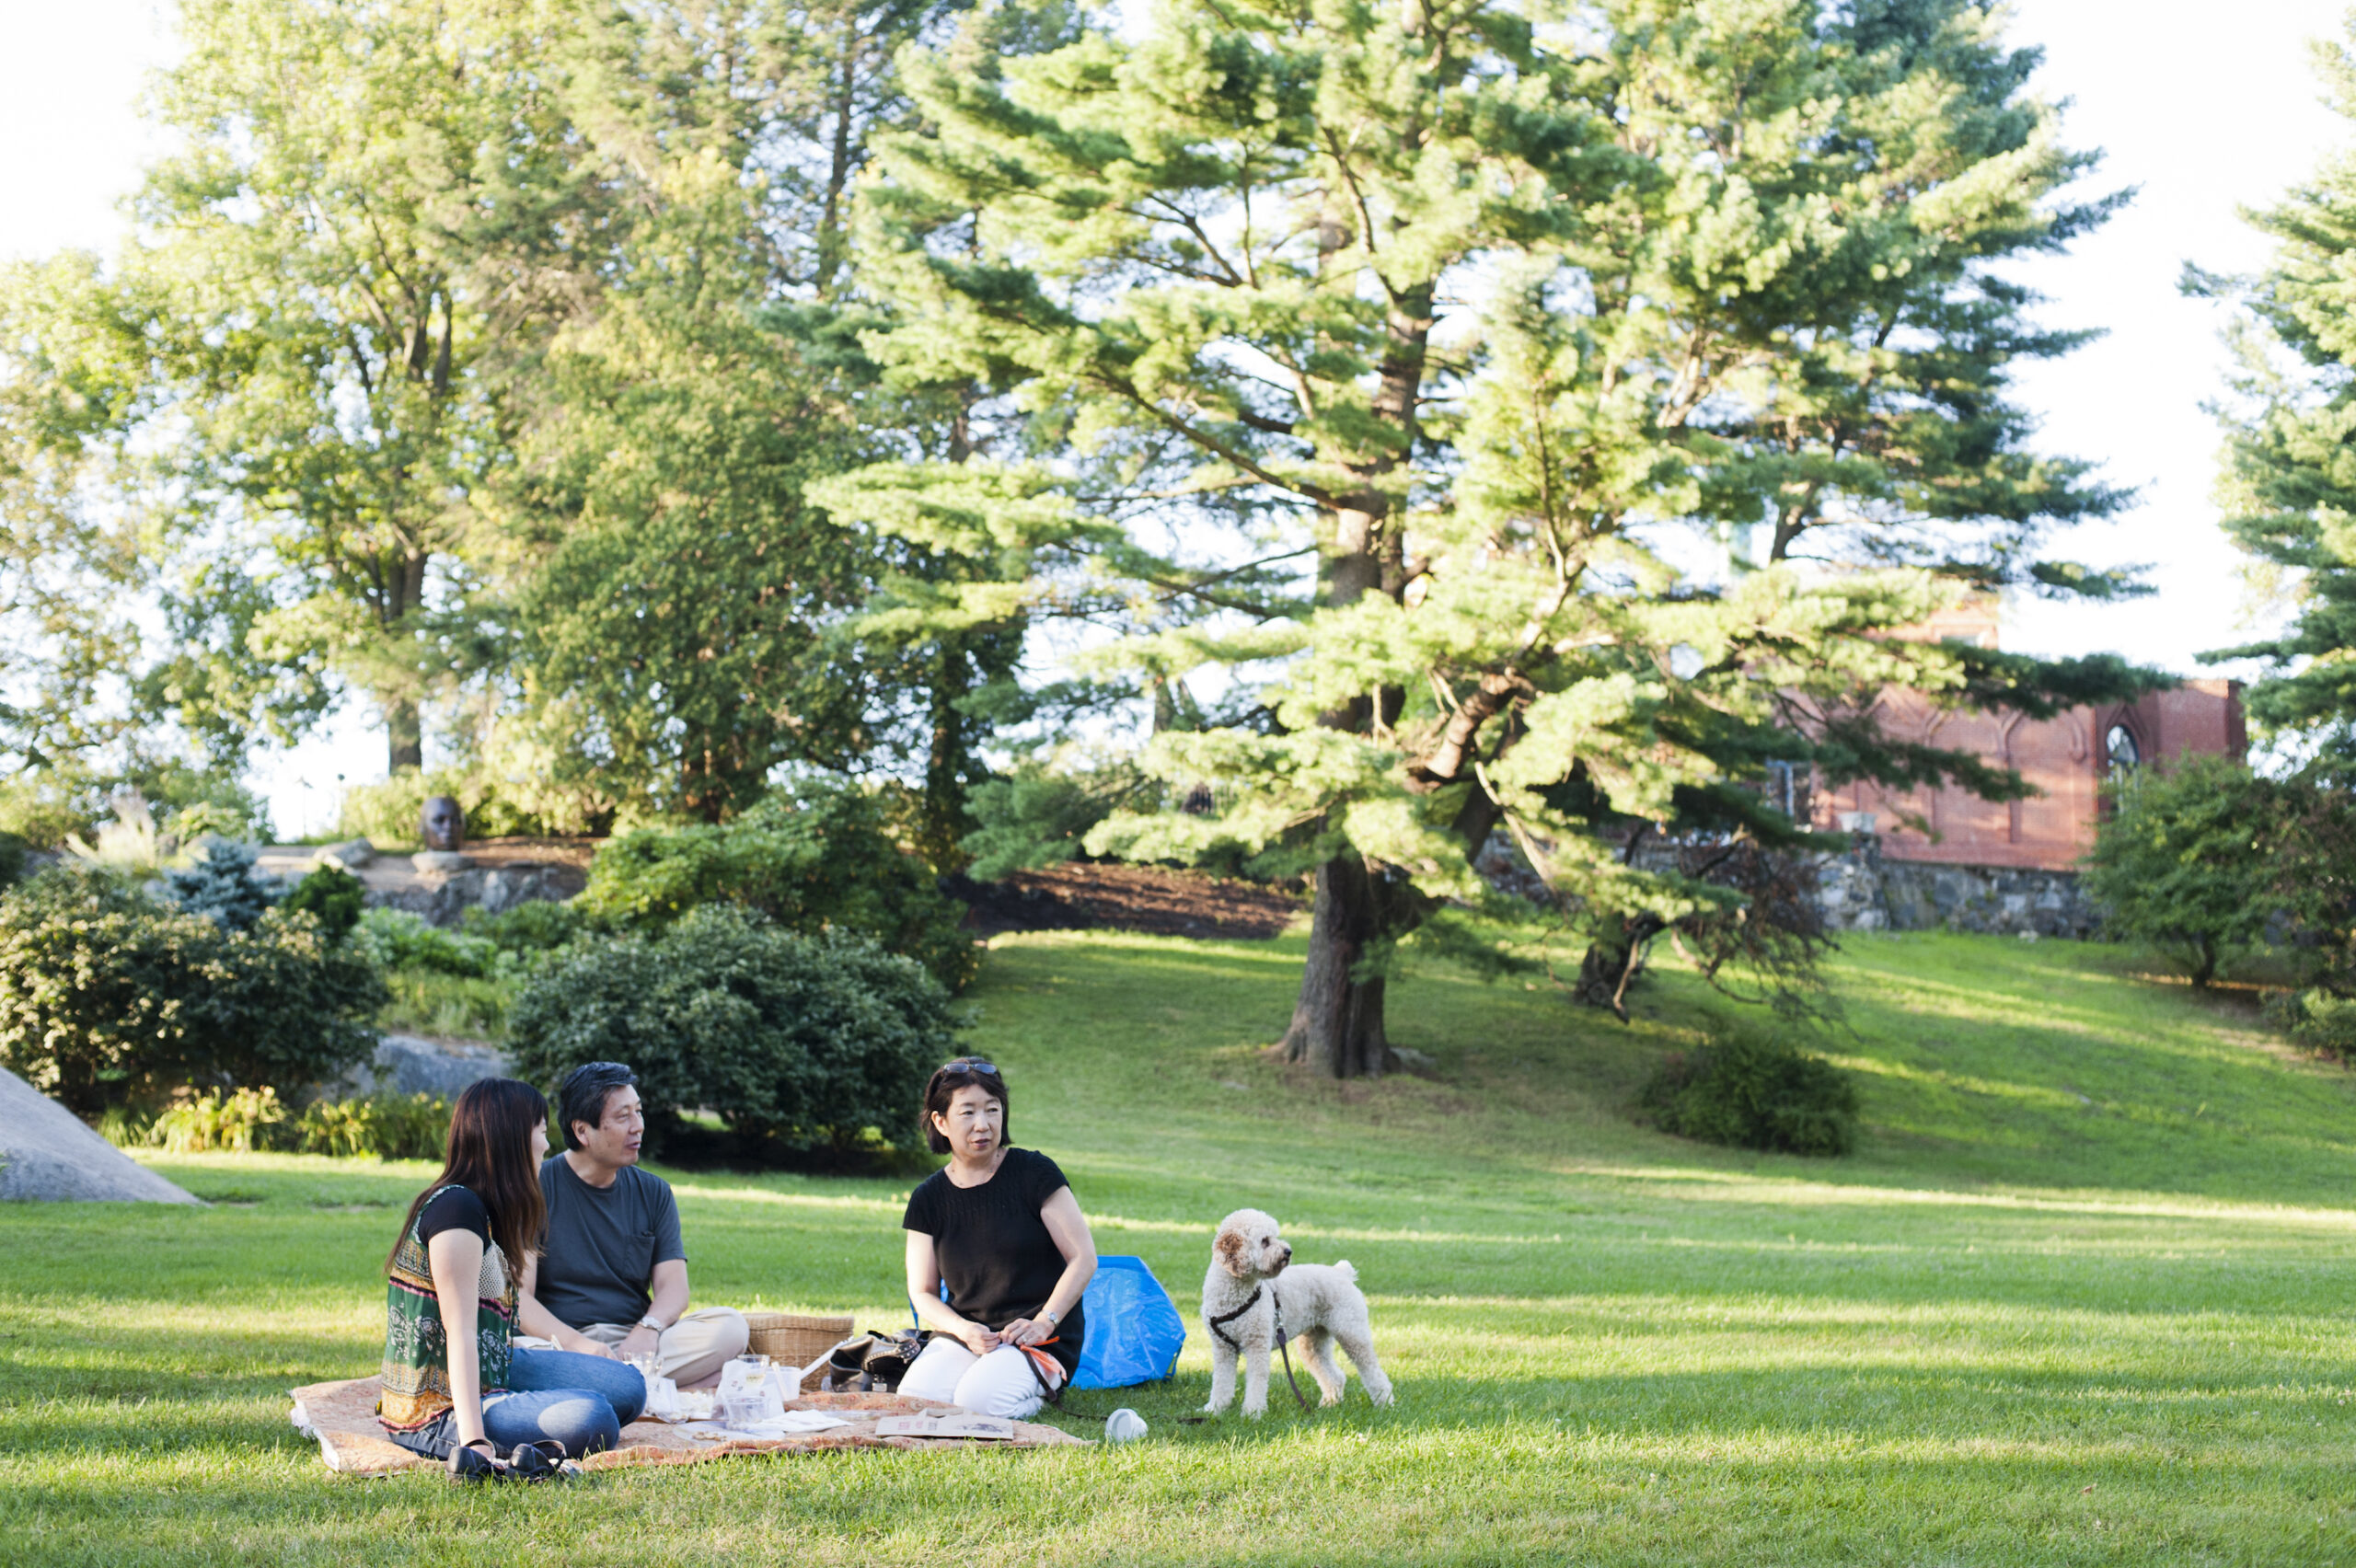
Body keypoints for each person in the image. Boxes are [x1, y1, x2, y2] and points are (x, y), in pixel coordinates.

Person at [376, 1078, 644, 1470]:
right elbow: (460, 1331)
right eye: (541, 1131)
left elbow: (504, 1313)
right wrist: (474, 1441)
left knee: (628, 1386)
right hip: (437, 1406)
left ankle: (516, 1406)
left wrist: (574, 1345)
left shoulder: (486, 1209)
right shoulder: (457, 1212)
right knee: (594, 1419)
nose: (547, 1145)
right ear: (512, 1140)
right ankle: (488, 1420)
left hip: (494, 1365)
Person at [519, 1061, 748, 1385]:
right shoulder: (536, 1188)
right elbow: (520, 1299)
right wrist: (579, 1345)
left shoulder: (655, 1192)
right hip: (559, 1344)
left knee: (731, 1327)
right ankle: (646, 1389)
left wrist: (648, 1329)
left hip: (635, 1347)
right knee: (517, 1353)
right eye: (623, 1117)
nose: (638, 1126)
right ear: (582, 1130)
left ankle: (621, 1387)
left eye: (638, 1112)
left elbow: (674, 1288)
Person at [900, 1056, 1097, 1419]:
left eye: (992, 1110)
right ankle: (983, 1375)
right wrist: (963, 1329)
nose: (983, 1125)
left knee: (978, 1404)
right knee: (914, 1402)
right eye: (968, 1112)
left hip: (1037, 1336)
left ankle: (1038, 1396)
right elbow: (922, 1293)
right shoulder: (927, 1198)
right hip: (968, 1335)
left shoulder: (1034, 1172)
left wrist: (1045, 1321)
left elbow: (1083, 1258)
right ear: (940, 1121)